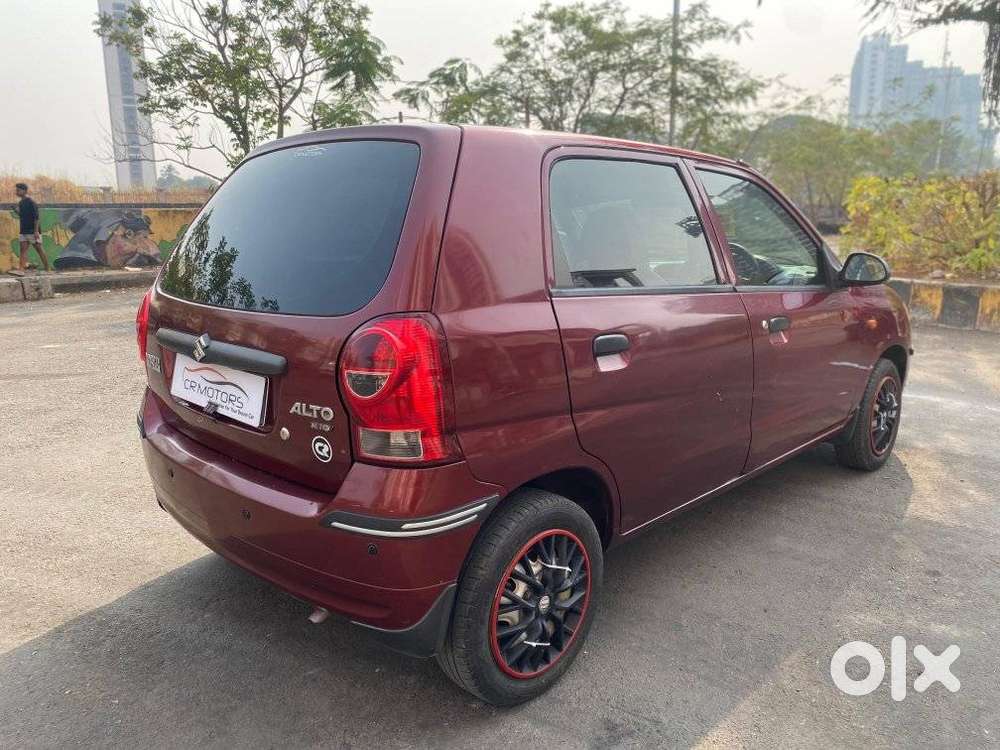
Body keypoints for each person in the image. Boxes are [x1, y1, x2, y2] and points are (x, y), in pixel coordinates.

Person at [14, 182, 50, 272]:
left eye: (18, 190)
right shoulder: (21, 202)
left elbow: (36, 217)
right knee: (23, 251)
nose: (17, 192)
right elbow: (23, 216)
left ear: (24, 191)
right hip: (23, 231)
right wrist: (16, 211)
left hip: (32, 231)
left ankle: (47, 268)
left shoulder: (31, 202)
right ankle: (21, 270)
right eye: (16, 190)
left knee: (39, 250)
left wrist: (36, 231)